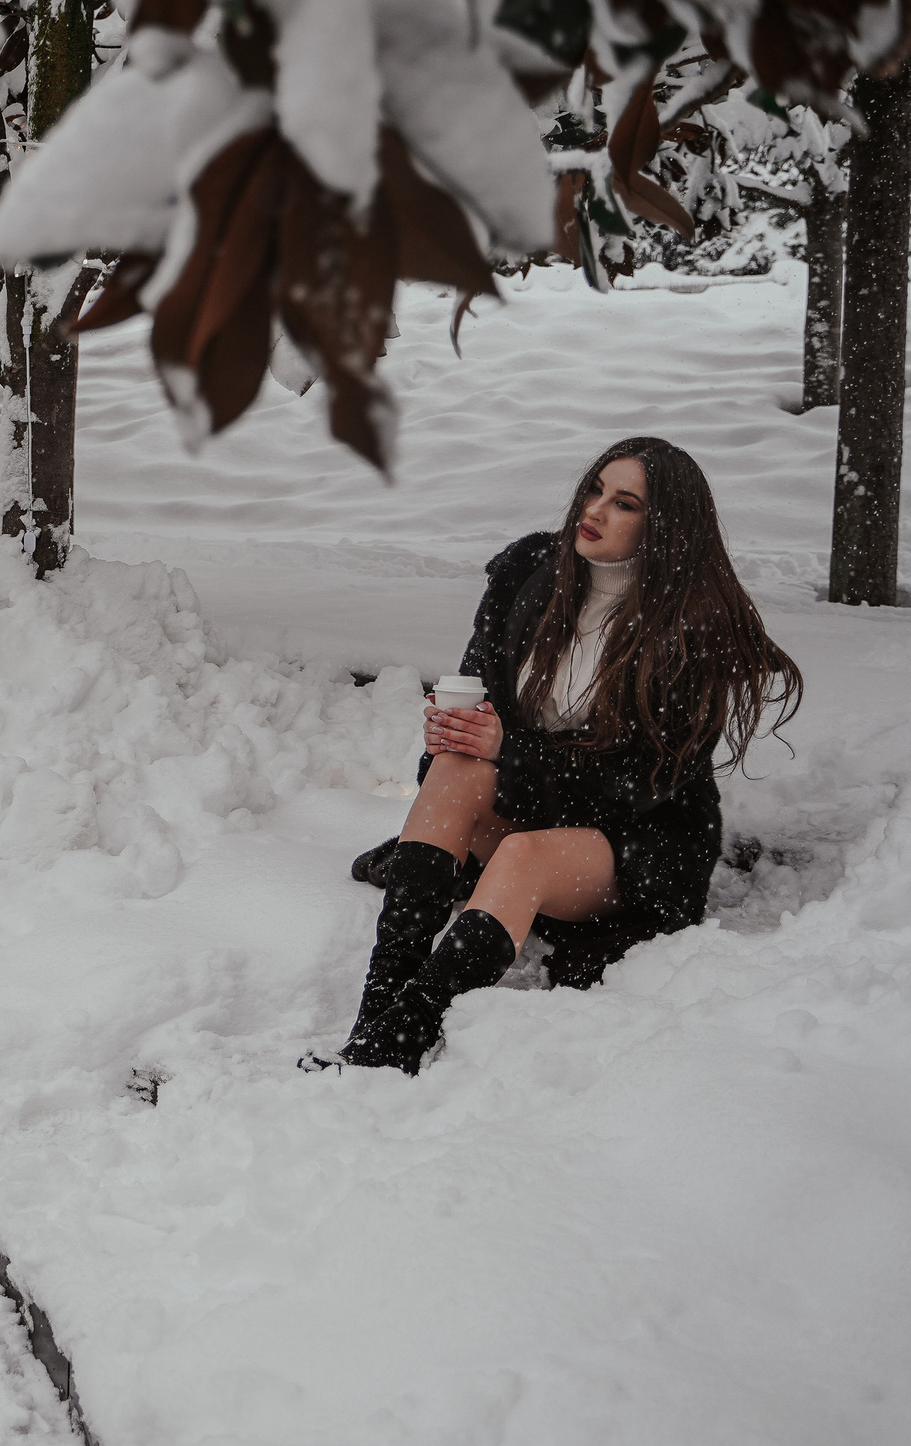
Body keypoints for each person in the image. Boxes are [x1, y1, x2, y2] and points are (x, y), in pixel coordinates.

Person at [306, 437, 803, 1075]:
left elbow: (638, 786)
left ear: (665, 529)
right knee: (456, 772)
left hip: (632, 846)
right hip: (534, 803)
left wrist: (509, 751)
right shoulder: (529, 576)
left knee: (522, 856)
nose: (593, 510)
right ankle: (375, 1016)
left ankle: (404, 1038)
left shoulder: (694, 630)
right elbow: (478, 700)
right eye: (594, 489)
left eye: (624, 503)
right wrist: (460, 737)